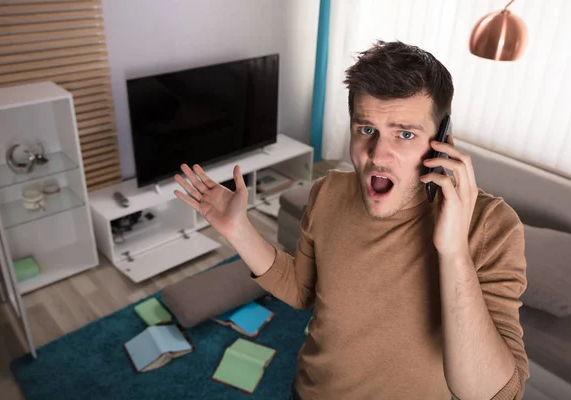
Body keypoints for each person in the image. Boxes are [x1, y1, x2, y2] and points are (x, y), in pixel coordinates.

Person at [173, 41, 529, 400]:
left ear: (441, 140)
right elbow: (302, 291)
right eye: (366, 129)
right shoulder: (327, 192)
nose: (377, 155)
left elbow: (493, 394)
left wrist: (453, 253)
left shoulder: (491, 226)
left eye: (405, 134)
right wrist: (239, 230)